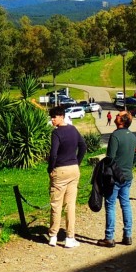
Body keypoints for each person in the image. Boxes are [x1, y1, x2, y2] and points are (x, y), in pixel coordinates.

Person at [47, 105, 87, 248]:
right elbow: (83, 147)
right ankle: (70, 237)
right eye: (51, 117)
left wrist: (50, 168)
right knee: (70, 205)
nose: (52, 120)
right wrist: (78, 161)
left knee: (56, 204)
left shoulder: (56, 133)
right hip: (73, 169)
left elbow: (53, 153)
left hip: (60, 170)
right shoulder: (73, 130)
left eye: (54, 117)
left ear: (62, 116)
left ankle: (53, 235)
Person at [99, 111, 136, 247]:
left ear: (122, 121)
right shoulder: (132, 136)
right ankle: (128, 235)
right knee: (125, 204)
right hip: (127, 176)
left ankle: (109, 237)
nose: (115, 116)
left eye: (118, 116)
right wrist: (129, 164)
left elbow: (110, 157)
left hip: (115, 177)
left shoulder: (115, 135)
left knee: (110, 205)